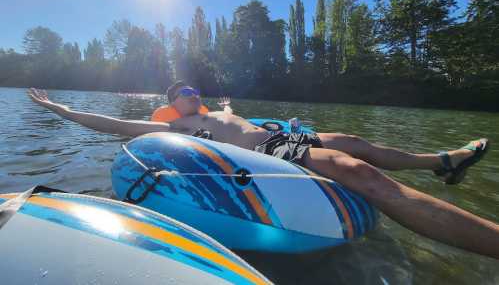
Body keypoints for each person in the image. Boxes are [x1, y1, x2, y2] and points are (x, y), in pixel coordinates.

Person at [27, 86, 499, 259]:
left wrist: (236, 110)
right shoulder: (182, 124)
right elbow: (107, 123)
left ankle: (442, 162)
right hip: (269, 151)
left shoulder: (216, 111)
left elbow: (232, 113)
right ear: (174, 104)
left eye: (194, 89)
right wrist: (58, 108)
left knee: (355, 142)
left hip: (280, 135)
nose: (193, 93)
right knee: (358, 170)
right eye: (183, 91)